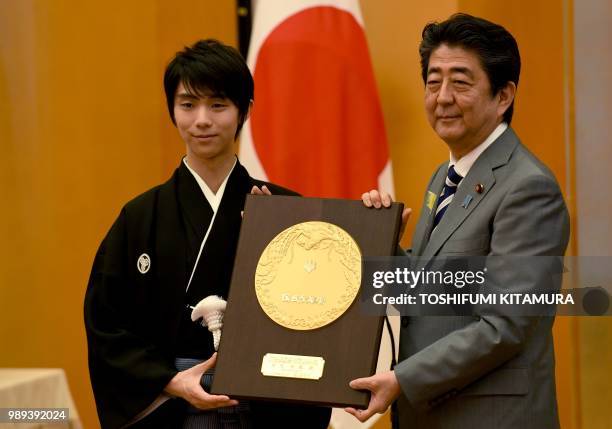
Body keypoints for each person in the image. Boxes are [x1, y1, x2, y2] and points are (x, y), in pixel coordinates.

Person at [84, 39, 331, 429]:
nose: (202, 120)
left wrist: (269, 245)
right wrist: (171, 381)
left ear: (244, 112)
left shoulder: (285, 210)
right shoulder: (139, 217)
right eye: (188, 105)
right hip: (172, 403)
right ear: (172, 111)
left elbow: (320, 310)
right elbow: (106, 325)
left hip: (264, 406)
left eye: (218, 105)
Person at [346, 14, 569, 428]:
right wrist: (380, 241)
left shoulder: (528, 188)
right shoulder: (446, 175)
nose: (442, 97)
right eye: (433, 82)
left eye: (460, 82)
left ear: (504, 96)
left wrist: (402, 379)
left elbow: (505, 325)